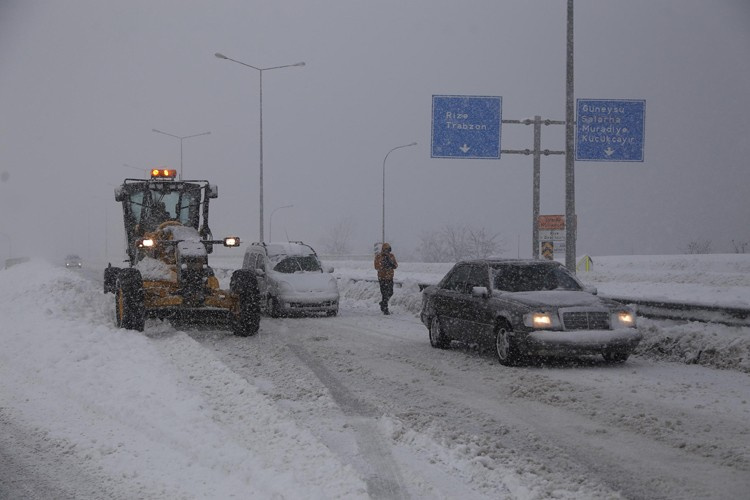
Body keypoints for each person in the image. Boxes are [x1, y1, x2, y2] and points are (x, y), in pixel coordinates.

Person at [374, 242, 398, 315]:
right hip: (382, 278)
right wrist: (383, 265)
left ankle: (382, 303)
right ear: (383, 249)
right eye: (386, 249)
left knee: (390, 292)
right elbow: (376, 266)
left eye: (388, 249)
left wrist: (391, 264)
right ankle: (385, 309)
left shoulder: (391, 256)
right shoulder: (378, 256)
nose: (387, 251)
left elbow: (396, 265)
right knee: (384, 293)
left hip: (390, 277)